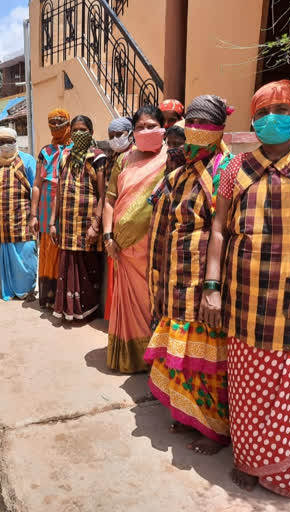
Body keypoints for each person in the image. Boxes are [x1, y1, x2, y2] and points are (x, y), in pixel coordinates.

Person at [201, 80, 290, 497]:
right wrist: (212, 285)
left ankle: (287, 469)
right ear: (252, 118)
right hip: (244, 302)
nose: (272, 118)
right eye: (263, 111)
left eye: (282, 109)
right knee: (248, 388)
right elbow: (219, 229)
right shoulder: (234, 169)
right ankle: (249, 462)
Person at [144, 95, 234, 454]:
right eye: (190, 124)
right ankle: (186, 414)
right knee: (177, 354)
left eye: (202, 125)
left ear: (217, 130)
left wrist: (217, 285)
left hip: (206, 280)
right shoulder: (179, 172)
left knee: (207, 359)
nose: (194, 133)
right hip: (175, 279)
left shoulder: (226, 169)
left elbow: (224, 229)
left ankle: (215, 430)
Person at [102, 106, 169, 373]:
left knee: (153, 300)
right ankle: (132, 357)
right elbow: (109, 201)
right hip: (123, 249)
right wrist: (108, 235)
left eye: (152, 125)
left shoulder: (170, 158)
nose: (146, 131)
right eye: (140, 127)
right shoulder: (124, 160)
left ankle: (156, 360)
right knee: (129, 303)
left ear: (163, 128)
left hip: (155, 249)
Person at [49, 115, 106, 321]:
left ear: (90, 132)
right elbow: (58, 192)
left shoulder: (97, 158)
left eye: (83, 129)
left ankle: (86, 313)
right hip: (66, 225)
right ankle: (69, 311)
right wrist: (52, 223)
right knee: (68, 268)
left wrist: (96, 225)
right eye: (75, 130)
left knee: (86, 270)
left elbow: (103, 195)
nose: (79, 133)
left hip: (86, 225)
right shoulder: (65, 157)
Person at [0, 127, 38, 301]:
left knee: (27, 254)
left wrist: (34, 216)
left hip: (23, 218)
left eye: (9, 142)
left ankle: (27, 290)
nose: (6, 145)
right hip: (3, 221)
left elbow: (35, 188)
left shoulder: (27, 161)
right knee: (8, 256)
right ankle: (11, 290)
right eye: (2, 142)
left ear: (15, 142)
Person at [29, 109, 73, 309]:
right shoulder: (45, 152)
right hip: (47, 210)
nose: (56, 126)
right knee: (49, 252)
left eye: (60, 122)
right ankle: (49, 298)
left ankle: (67, 298)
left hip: (68, 208)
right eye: (52, 123)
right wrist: (33, 215)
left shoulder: (76, 149)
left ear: (68, 122)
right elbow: (37, 184)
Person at [102, 117, 134, 321]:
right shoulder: (110, 159)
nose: (115, 140)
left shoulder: (137, 158)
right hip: (110, 222)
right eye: (111, 136)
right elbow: (106, 197)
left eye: (119, 135)